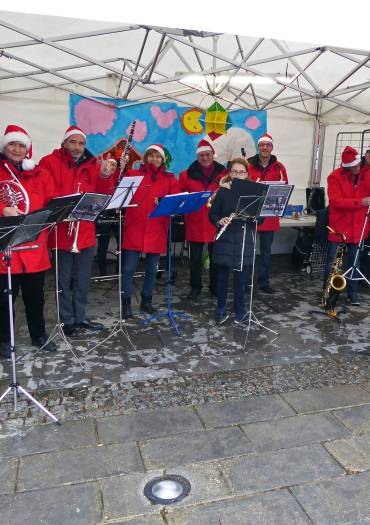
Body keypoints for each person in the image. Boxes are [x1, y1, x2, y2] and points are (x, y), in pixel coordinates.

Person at [39, 126, 111, 336]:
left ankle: (80, 317)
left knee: (82, 278)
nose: (77, 147)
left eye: (81, 143)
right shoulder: (48, 162)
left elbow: (103, 194)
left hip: (85, 231)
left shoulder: (94, 164)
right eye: (73, 142)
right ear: (64, 143)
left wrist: (105, 176)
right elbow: (46, 192)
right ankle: (67, 320)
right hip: (62, 231)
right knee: (62, 280)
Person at [0, 124, 57, 358]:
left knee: (36, 297)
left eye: (21, 145)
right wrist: (2, 208)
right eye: (12, 144)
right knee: (4, 300)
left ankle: (38, 335)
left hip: (34, 248)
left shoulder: (41, 173)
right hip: (6, 249)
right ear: (5, 147)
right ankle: (4, 340)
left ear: (28, 149)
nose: (16, 149)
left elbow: (52, 201)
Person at [121, 144, 179, 318]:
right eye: (151, 155)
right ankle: (126, 303)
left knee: (152, 269)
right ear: (145, 158)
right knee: (129, 268)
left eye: (157, 156)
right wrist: (120, 168)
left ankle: (147, 301)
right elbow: (117, 188)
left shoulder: (170, 179)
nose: (154, 159)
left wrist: (163, 201)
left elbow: (175, 200)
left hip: (157, 229)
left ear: (163, 160)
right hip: (135, 227)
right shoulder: (133, 174)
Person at [209, 158, 256, 324]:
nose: (237, 174)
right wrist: (219, 220)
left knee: (240, 279)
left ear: (246, 174)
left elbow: (261, 220)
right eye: (234, 171)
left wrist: (253, 217)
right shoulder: (223, 191)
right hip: (226, 240)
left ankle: (240, 310)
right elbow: (212, 214)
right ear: (229, 173)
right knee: (222, 278)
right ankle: (221, 308)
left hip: (244, 241)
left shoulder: (254, 193)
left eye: (241, 172)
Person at [179, 139, 227, 300]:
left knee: (216, 257)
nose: (205, 158)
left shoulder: (224, 173)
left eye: (207, 154)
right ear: (197, 157)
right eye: (201, 155)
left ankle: (215, 287)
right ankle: (195, 287)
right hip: (195, 221)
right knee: (195, 258)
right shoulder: (185, 175)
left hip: (216, 221)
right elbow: (181, 197)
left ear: (213, 155)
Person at [324, 145, 370, 306]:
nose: (359, 167)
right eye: (356, 166)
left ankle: (353, 294)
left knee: (354, 262)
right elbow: (335, 201)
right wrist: (360, 202)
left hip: (358, 227)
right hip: (339, 229)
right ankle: (328, 295)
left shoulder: (366, 174)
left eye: (359, 164)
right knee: (333, 263)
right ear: (348, 167)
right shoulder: (334, 177)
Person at [248, 133, 288, 294]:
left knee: (266, 252)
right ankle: (246, 281)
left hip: (269, 216)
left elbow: (284, 188)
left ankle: (263, 281)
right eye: (262, 145)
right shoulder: (248, 165)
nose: (264, 147)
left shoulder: (279, 167)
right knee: (248, 251)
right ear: (258, 147)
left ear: (272, 147)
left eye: (268, 145)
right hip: (251, 214)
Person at [96, 158, 120, 276]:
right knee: (103, 242)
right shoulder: (103, 176)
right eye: (110, 164)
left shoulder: (120, 177)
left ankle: (119, 268)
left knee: (121, 240)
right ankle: (102, 270)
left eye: (114, 165)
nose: (112, 167)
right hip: (105, 213)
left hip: (116, 213)